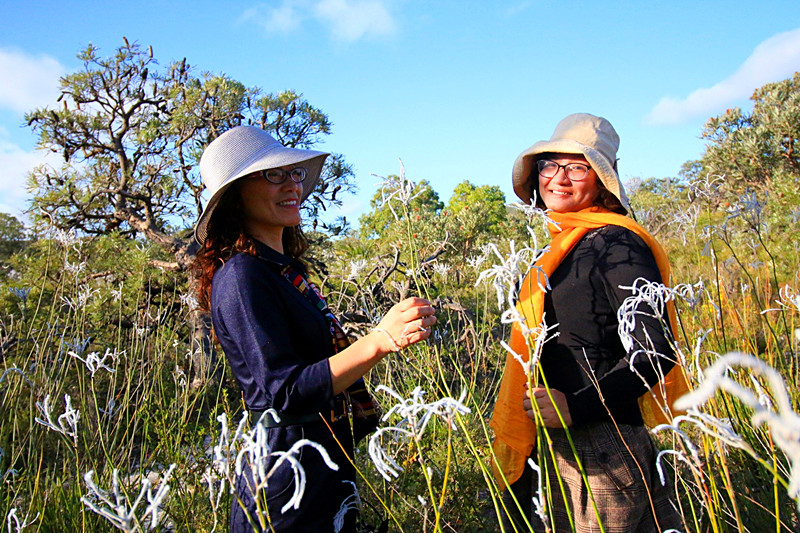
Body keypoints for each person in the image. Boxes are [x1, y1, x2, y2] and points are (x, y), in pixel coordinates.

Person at [192, 126, 436, 532]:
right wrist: (379, 341)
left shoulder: (284, 271)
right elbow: (283, 392)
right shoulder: (242, 276)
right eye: (272, 174)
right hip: (288, 474)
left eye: (294, 172)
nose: (292, 183)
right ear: (234, 195)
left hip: (323, 463)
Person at [490, 113, 688, 532]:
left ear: (600, 179)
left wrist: (575, 406)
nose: (558, 178)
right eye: (549, 165)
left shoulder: (617, 243)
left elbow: (655, 352)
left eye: (577, 167)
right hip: (562, 443)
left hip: (604, 450)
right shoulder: (559, 248)